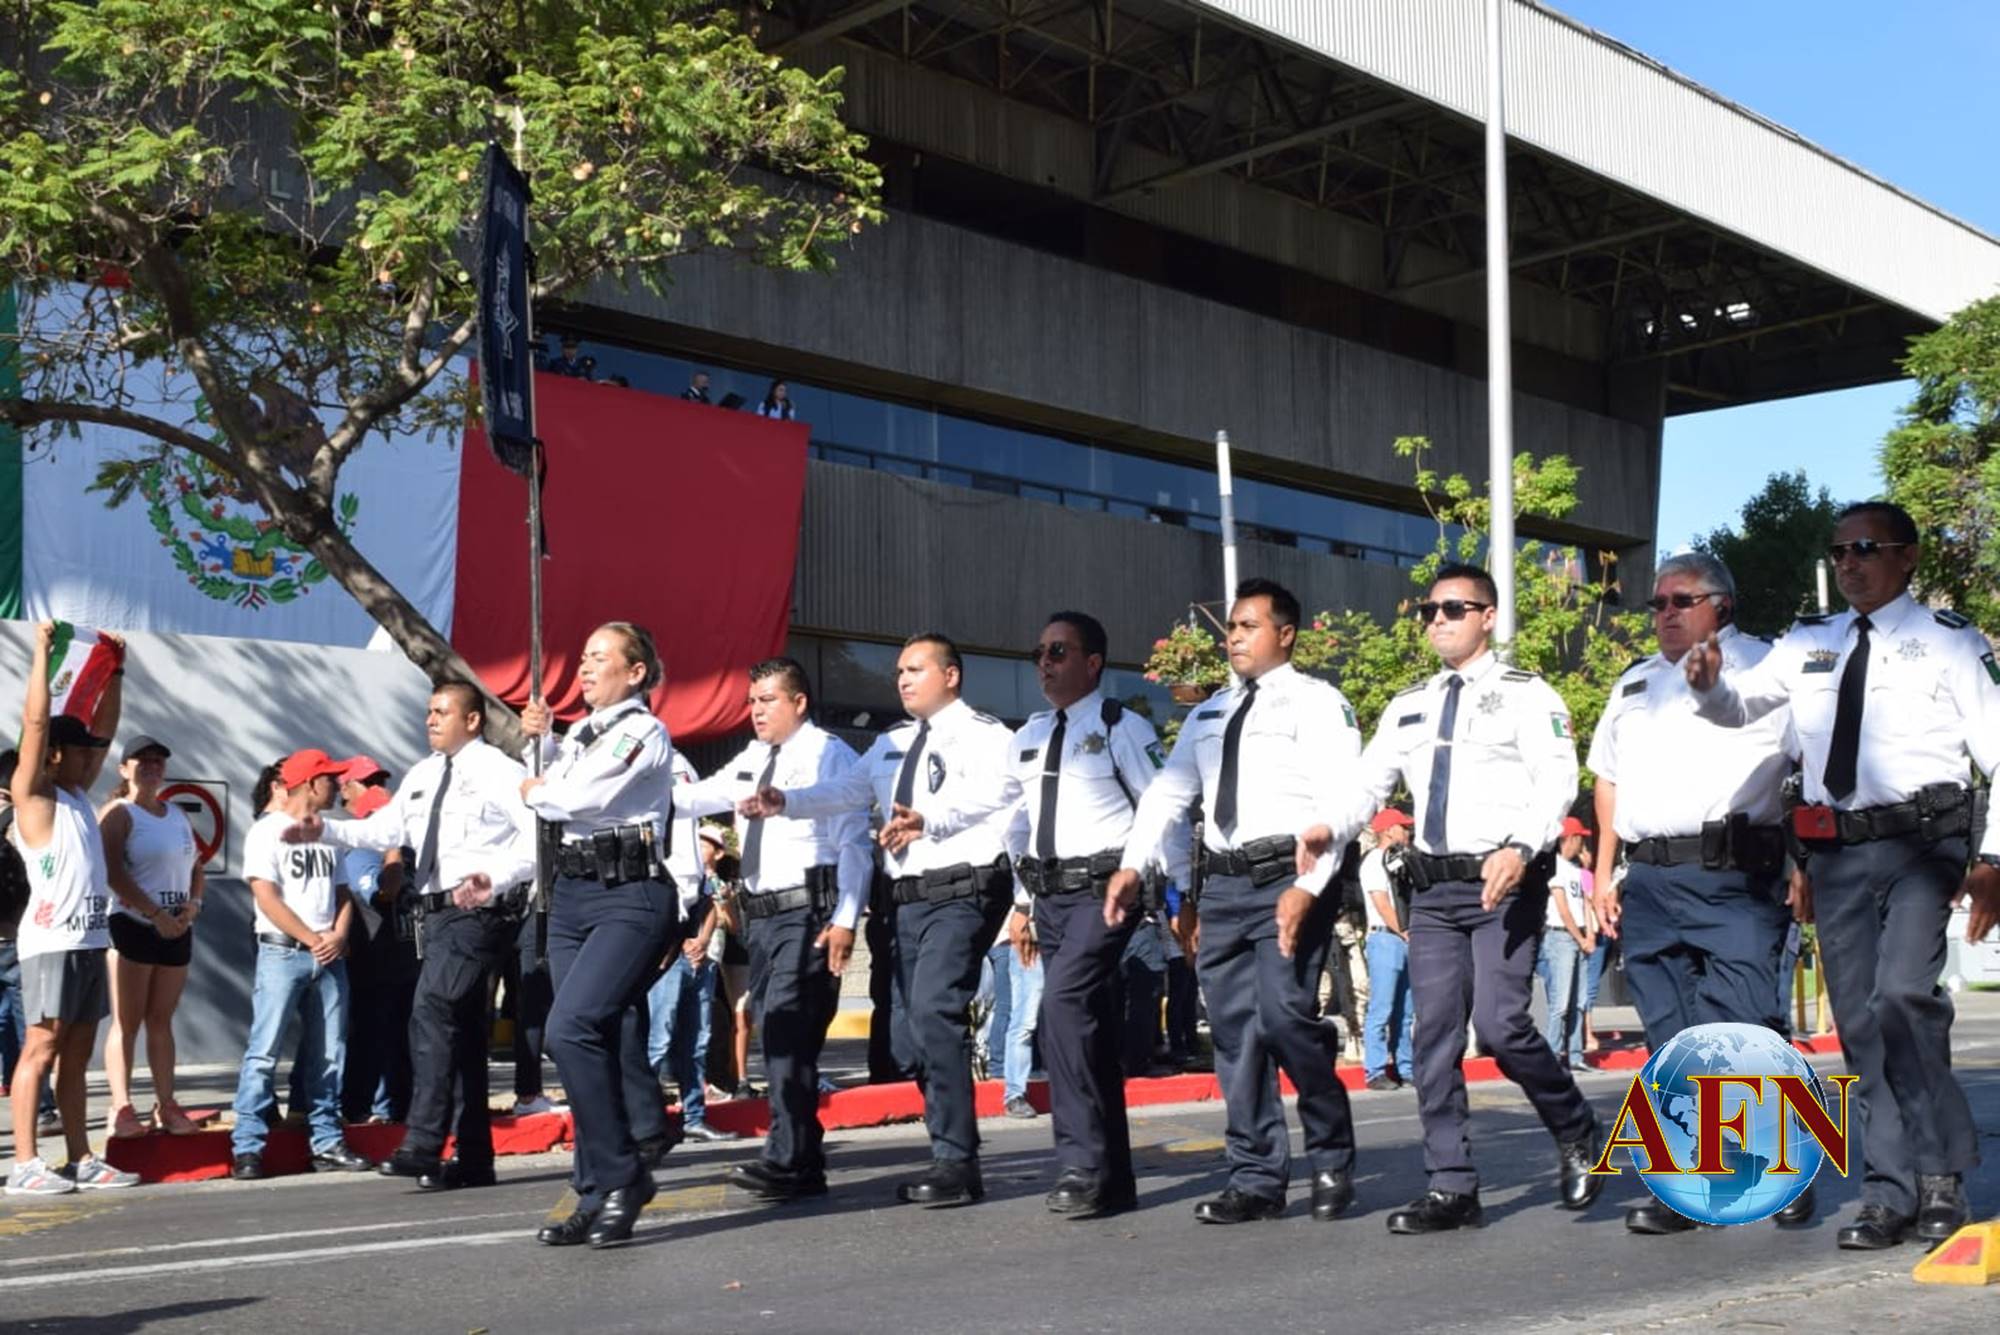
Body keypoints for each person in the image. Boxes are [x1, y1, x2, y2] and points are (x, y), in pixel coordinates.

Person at [1685, 501, 2000, 1250]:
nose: (1850, 563)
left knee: (1903, 997)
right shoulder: (1808, 641)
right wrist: (1707, 684)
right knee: (1858, 1021)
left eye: (1866, 548)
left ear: (1908, 556)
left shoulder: (1950, 643)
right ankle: (1886, 1192)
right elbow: (1742, 707)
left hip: (1924, 846)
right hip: (1839, 854)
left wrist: (1993, 859)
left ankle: (1940, 1175)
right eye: (1839, 551)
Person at [1317, 562, 1604, 1234]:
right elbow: (1368, 781)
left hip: (1502, 880)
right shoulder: (1408, 703)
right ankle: (1451, 1185)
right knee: (1434, 1035)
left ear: (1488, 616)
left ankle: (1575, 1124)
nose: (1438, 619)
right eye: (1429, 610)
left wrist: (1521, 844)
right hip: (1434, 890)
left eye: (1453, 607)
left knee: (1504, 1026)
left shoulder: (1529, 695)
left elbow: (1558, 778)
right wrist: (1329, 827)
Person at [884, 612, 1180, 1217]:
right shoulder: (1031, 734)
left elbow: (1162, 806)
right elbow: (1003, 808)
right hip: (1051, 897)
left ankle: (1079, 1165)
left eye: (1059, 652)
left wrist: (1181, 895)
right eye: (1039, 653)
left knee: (1062, 1012)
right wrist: (936, 826)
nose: (1045, 663)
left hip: (1107, 890)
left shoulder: (1121, 727)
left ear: (1091, 662)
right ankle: (1112, 1177)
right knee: (1087, 1032)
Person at [1109, 579, 1371, 1226]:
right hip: (1223, 885)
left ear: (1285, 633)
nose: (1234, 636)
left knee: (1285, 1019)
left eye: (1249, 625)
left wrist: (1309, 889)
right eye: (1231, 625)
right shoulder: (1208, 713)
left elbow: (1340, 806)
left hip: (1290, 874)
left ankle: (1332, 1152)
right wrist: (1131, 865)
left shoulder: (1319, 703)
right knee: (1234, 1035)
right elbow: (1168, 795)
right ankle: (1255, 1176)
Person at [743, 633, 1015, 1207]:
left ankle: (956, 1162)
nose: (903, 679)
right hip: (904, 900)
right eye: (899, 671)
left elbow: (1006, 796)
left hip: (963, 889)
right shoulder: (891, 743)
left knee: (937, 1015)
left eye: (916, 669)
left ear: (952, 675)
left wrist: (935, 822)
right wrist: (786, 803)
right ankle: (949, 1147)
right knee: (908, 1037)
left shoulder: (988, 736)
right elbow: (846, 790)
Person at [1588, 550, 1807, 1234]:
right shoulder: (1634, 684)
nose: (1664, 614)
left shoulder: (1769, 669)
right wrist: (1602, 869)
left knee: (1740, 1023)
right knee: (1671, 1036)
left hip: (1737, 871)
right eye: (1656, 604)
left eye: (1679, 601)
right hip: (1650, 879)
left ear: (1722, 605)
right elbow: (1607, 777)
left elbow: (1811, 768)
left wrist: (1807, 863)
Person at [291, 683, 538, 1191]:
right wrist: (329, 831)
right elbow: (384, 831)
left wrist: (497, 877)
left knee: (431, 1009)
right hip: (434, 916)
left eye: (442, 712)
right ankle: (473, 1158)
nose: (430, 720)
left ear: (471, 720)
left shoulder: (501, 771)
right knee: (464, 1033)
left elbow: (537, 838)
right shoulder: (424, 774)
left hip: (478, 912)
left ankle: (424, 1141)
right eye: (428, 711)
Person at [673, 657, 871, 1201]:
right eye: (752, 700)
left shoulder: (829, 754)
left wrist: (845, 921)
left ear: (799, 702)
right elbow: (699, 795)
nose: (756, 710)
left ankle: (786, 1156)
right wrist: (644, 779)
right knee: (783, 1036)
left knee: (787, 1030)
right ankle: (803, 1161)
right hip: (762, 917)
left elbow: (854, 843)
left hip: (808, 912)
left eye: (768, 700)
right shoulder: (755, 756)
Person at [520, 622, 682, 1248]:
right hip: (576, 892)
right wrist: (539, 747)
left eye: (599, 658)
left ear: (635, 672)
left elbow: (576, 801)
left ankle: (624, 1176)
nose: (584, 668)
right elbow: (548, 789)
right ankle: (594, 1189)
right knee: (599, 1039)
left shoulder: (642, 730)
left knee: (570, 1027)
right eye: (582, 657)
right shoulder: (580, 737)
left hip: (630, 893)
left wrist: (539, 787)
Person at [6, 624, 140, 1195]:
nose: (94, 759)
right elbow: (35, 723)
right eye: (82, 752)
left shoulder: (82, 797)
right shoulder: (35, 795)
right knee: (41, 1046)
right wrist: (39, 653)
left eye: (93, 752)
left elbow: (107, 727)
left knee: (78, 1052)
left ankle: (81, 1156)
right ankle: (25, 1164)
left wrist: (116, 670)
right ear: (55, 755)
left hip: (88, 940)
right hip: (50, 943)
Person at [229, 748, 373, 1180]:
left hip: (327, 955)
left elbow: (343, 893)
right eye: (331, 778)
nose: (338, 785)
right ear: (311, 783)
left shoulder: (330, 832)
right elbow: (266, 896)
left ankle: (327, 1141)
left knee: (330, 1053)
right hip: (282, 952)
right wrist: (313, 938)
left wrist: (339, 934)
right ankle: (248, 1145)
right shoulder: (267, 831)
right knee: (264, 1050)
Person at [100, 735, 203, 1138]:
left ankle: (167, 1104)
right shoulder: (119, 813)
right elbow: (111, 872)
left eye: (158, 760)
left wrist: (193, 905)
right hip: (133, 926)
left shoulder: (176, 814)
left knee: (161, 1021)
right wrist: (154, 913)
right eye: (142, 760)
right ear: (124, 768)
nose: (151, 766)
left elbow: (196, 867)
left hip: (177, 928)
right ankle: (121, 1108)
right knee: (126, 1023)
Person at [331, 755, 415, 1124]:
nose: (380, 788)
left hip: (404, 959)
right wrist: (392, 850)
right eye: (370, 782)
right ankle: (360, 1108)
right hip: (373, 961)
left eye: (382, 780)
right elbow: (382, 894)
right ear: (346, 790)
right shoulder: (362, 846)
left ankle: (395, 1107)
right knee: (370, 1036)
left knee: (401, 1038)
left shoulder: (398, 846)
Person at [647, 823, 736, 1143]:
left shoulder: (701, 871)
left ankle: (694, 1117)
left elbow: (712, 904)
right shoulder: (660, 860)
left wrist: (701, 940)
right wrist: (680, 944)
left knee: (698, 1040)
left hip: (701, 961)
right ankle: (645, 1118)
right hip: (669, 961)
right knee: (660, 1037)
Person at [1358, 808, 1416, 1091]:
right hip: (1385, 938)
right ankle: (1375, 1070)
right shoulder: (1373, 862)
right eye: (1403, 827)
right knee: (1381, 1008)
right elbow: (1382, 904)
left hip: (1403, 939)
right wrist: (1405, 932)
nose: (1407, 832)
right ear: (1389, 830)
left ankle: (1406, 1067)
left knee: (1406, 1010)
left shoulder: (1401, 861)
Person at [1534, 817, 1596, 1071]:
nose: (1582, 842)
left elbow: (1584, 902)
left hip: (1579, 935)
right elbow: (1562, 907)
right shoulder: (1555, 868)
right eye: (1579, 837)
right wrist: (1580, 937)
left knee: (1579, 1000)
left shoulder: (1575, 870)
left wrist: (1589, 934)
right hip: (1560, 936)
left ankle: (1575, 1055)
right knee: (1560, 1002)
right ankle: (1553, 1056)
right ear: (1569, 838)